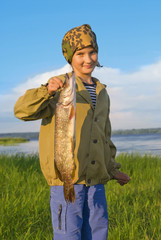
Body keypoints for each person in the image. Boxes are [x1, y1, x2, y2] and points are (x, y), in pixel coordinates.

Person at [14, 24, 130, 240]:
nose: (88, 59)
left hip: (96, 184)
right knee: (68, 235)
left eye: (92, 52)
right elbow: (21, 111)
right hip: (66, 181)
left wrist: (113, 170)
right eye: (80, 54)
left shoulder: (102, 92)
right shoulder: (58, 87)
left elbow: (104, 136)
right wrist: (46, 91)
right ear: (69, 57)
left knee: (97, 234)